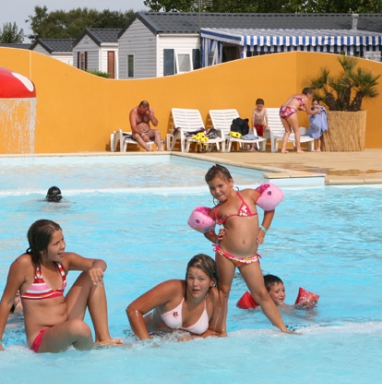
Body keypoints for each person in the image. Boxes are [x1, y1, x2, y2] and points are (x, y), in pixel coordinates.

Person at [0, 219, 124, 353]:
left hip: (65, 324)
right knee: (79, 327)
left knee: (92, 276)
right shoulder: (24, 265)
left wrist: (96, 267)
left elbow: (100, 262)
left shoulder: (64, 261)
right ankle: (91, 351)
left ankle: (104, 338)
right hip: (42, 339)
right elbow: (6, 302)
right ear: (42, 249)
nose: (63, 246)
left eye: (63, 240)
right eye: (56, 243)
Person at [196, 164, 293, 334]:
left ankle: (284, 329)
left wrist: (263, 230)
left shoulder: (248, 195)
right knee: (223, 292)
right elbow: (206, 229)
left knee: (262, 294)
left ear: (231, 182)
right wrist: (215, 238)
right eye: (212, 188)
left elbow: (270, 208)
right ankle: (220, 330)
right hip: (225, 254)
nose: (217, 191)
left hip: (249, 258)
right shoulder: (217, 210)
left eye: (220, 186)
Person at [125, 254, 223, 340]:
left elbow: (217, 333)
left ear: (212, 282)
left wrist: (191, 338)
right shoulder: (172, 289)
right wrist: (148, 344)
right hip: (145, 336)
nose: (195, 284)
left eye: (201, 279)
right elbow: (133, 310)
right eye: (191, 277)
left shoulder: (214, 297)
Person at [278, 88, 313, 153]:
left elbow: (293, 104)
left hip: (282, 109)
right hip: (290, 110)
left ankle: (283, 149)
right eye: (310, 95)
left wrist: (301, 108)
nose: (310, 97)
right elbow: (309, 112)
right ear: (308, 94)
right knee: (296, 130)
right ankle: (298, 149)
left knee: (287, 131)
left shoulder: (294, 95)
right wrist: (317, 111)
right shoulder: (305, 98)